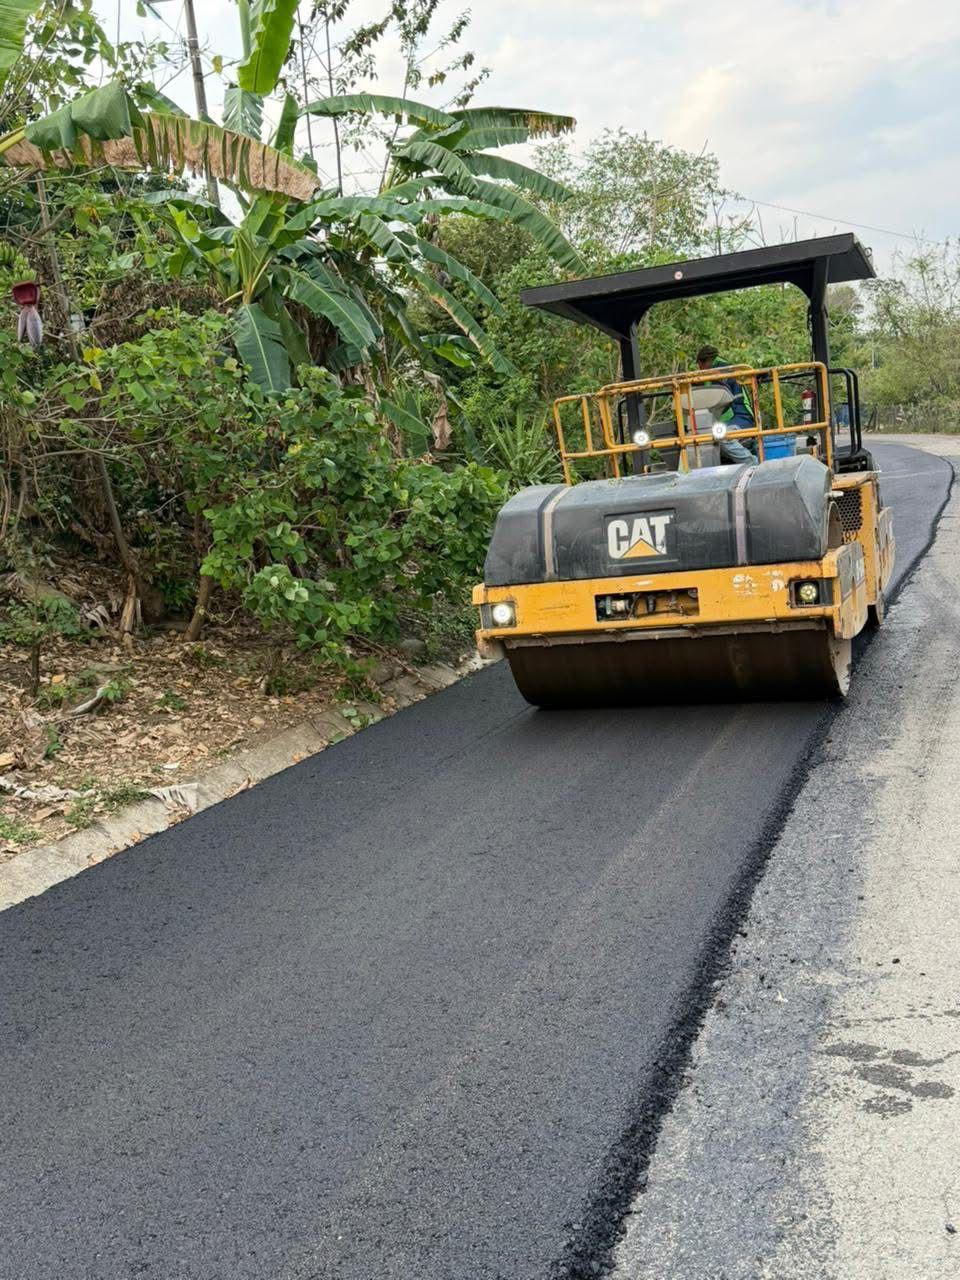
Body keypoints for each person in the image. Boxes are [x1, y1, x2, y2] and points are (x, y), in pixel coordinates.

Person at [696, 344, 757, 464]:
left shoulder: (719, 371)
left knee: (722, 437)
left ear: (706, 361)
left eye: (700, 365)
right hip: (735, 419)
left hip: (741, 419)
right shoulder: (725, 369)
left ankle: (754, 463)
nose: (700, 370)